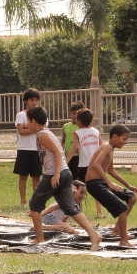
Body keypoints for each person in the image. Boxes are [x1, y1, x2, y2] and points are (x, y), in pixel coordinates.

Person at [26, 107, 102, 251]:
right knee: (70, 208)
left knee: (34, 204)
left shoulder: (42, 135)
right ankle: (94, 234)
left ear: (34, 121)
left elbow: (56, 151)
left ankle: (39, 238)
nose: (26, 124)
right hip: (65, 173)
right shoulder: (46, 132)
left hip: (55, 174)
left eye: (28, 121)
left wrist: (56, 174)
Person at [85, 124, 137, 246]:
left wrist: (129, 185)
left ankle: (117, 230)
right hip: (94, 184)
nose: (126, 142)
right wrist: (109, 183)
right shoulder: (107, 147)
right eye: (124, 139)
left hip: (101, 182)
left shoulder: (111, 149)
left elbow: (111, 171)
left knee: (131, 197)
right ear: (115, 137)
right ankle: (123, 240)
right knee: (122, 208)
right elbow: (96, 165)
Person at [67, 108, 104, 218]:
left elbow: (73, 149)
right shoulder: (96, 131)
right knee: (97, 188)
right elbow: (101, 146)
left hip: (84, 165)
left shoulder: (78, 133)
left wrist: (65, 162)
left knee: (81, 188)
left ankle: (79, 211)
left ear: (79, 121)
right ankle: (99, 212)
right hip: (96, 165)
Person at [13, 88, 43, 206]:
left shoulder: (41, 114)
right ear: (26, 101)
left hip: (37, 149)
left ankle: (35, 201)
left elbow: (43, 128)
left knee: (36, 177)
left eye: (36, 100)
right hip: (24, 149)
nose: (34, 102)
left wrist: (27, 127)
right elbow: (21, 131)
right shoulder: (21, 115)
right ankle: (23, 201)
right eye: (31, 100)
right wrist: (34, 128)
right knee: (23, 176)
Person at [62, 101, 85, 179]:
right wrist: (62, 151)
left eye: (78, 113)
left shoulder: (82, 127)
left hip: (78, 156)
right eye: (73, 113)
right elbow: (63, 140)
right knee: (68, 177)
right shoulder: (66, 126)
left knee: (77, 178)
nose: (75, 116)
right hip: (68, 156)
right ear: (70, 114)